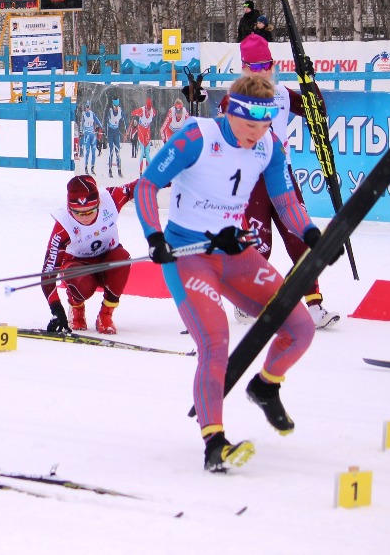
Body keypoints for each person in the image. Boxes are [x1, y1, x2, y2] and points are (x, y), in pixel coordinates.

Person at [136, 74, 323, 472]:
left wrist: (308, 232)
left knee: (300, 328)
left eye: (265, 123)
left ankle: (266, 385)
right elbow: (148, 185)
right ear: (232, 113)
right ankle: (214, 442)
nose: (258, 133)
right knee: (215, 340)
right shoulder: (197, 137)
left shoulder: (268, 146)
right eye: (250, 124)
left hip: (234, 252)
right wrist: (154, 237)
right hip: (188, 255)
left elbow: (285, 196)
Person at [220, 34, 337, 329]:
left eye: (266, 64)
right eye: (255, 66)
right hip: (250, 180)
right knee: (261, 247)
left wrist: (308, 81)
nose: (261, 71)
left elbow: (317, 112)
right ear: (244, 67)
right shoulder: (233, 97)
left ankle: (313, 304)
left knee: (299, 239)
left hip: (281, 175)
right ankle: (247, 299)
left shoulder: (282, 93)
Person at [40, 175, 138, 335]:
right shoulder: (63, 225)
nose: (84, 217)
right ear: (69, 208)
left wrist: (172, 176)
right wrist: (56, 308)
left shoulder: (111, 199)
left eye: (90, 211)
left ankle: (105, 315)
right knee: (77, 277)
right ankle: (77, 308)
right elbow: (48, 273)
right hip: (80, 267)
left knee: (123, 259)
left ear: (99, 204)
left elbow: (142, 184)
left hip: (108, 261)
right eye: (77, 213)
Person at [77, 103, 102, 175]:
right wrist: (81, 131)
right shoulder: (83, 114)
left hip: (92, 135)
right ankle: (86, 168)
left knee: (93, 152)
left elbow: (97, 120)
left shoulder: (92, 114)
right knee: (87, 152)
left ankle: (92, 168)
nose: (87, 108)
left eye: (88, 107)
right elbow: (81, 123)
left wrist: (101, 127)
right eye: (86, 107)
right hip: (87, 135)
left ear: (89, 107)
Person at [133, 97, 156, 173]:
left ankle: (148, 172)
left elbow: (155, 113)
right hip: (141, 131)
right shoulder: (142, 110)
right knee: (142, 152)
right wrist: (135, 114)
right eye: (148, 108)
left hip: (147, 132)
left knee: (147, 154)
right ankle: (140, 172)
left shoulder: (153, 111)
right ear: (146, 107)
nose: (149, 110)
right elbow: (134, 112)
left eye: (150, 108)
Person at [104, 98, 124, 178]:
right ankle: (110, 171)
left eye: (117, 106)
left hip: (116, 133)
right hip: (111, 133)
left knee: (118, 152)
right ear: (113, 105)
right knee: (111, 152)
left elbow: (124, 119)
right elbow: (105, 121)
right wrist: (106, 133)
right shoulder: (110, 111)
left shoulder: (120, 110)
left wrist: (127, 130)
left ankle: (119, 171)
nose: (116, 107)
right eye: (115, 106)